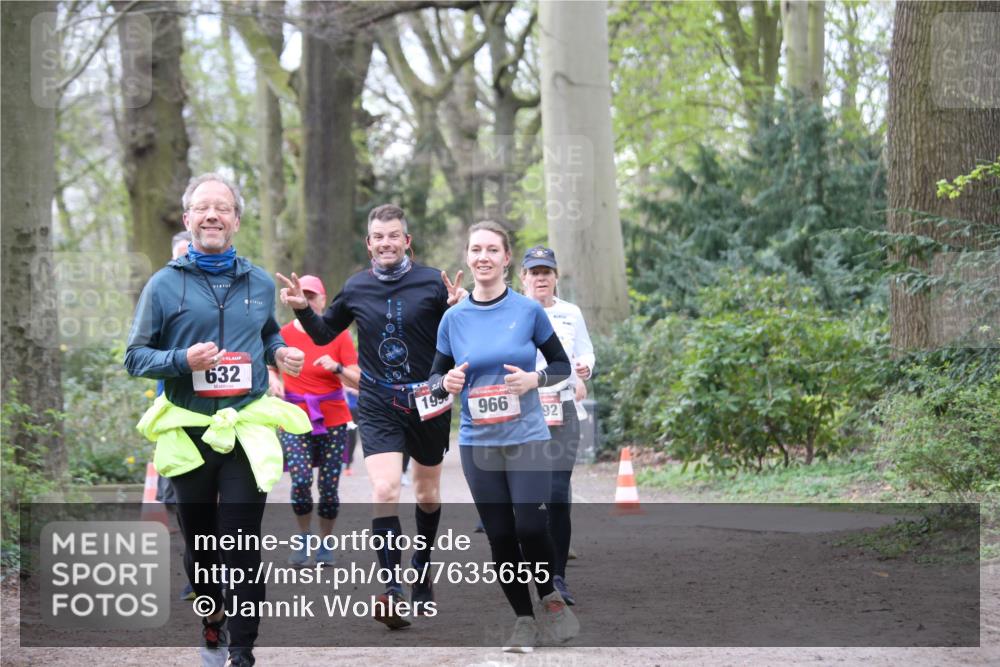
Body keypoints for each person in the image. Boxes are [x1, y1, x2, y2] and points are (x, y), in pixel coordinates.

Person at [126, 173, 310, 667]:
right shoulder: (163, 285)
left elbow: (267, 333)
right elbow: (134, 357)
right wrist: (182, 360)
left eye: (222, 208)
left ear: (236, 221)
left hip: (245, 427)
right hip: (188, 430)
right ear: (188, 219)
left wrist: (280, 353)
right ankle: (213, 619)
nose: (212, 215)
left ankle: (243, 652)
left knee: (242, 542)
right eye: (203, 208)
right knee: (202, 546)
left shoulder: (259, 281)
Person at [276, 204, 466, 630]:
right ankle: (392, 588)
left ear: (406, 241)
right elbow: (325, 333)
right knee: (383, 488)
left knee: (427, 493)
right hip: (379, 400)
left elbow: (459, 337)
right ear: (369, 243)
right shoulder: (356, 287)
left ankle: (421, 567)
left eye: (394, 235)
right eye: (379, 237)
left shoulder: (433, 283)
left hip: (428, 399)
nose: (386, 243)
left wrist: (458, 308)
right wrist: (302, 309)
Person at [427, 221, 579, 653]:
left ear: (506, 258)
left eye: (492, 249)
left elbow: (561, 366)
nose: (484, 257)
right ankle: (524, 620)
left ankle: (549, 595)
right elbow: (435, 378)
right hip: (479, 444)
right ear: (468, 256)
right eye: (476, 249)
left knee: (530, 525)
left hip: (527, 436)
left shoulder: (528, 311)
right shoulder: (454, 318)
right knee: (500, 535)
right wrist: (446, 383)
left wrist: (534, 379)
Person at [267, 274, 361, 567]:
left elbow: (358, 380)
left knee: (329, 487)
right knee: (301, 480)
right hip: (294, 418)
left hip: (333, 418)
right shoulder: (282, 334)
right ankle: (304, 536)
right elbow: (269, 365)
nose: (307, 300)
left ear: (323, 300)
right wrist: (273, 379)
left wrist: (337, 368)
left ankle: (325, 542)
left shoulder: (339, 335)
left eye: (312, 296)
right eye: (303, 296)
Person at [520, 245, 595, 606]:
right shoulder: (513, 311)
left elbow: (586, 350)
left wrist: (585, 368)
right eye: (534, 273)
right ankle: (530, 566)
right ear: (523, 278)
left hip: (563, 409)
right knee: (527, 497)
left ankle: (557, 576)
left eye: (546, 272)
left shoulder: (570, 313)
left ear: (555, 277)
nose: (541, 278)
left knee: (558, 493)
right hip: (523, 411)